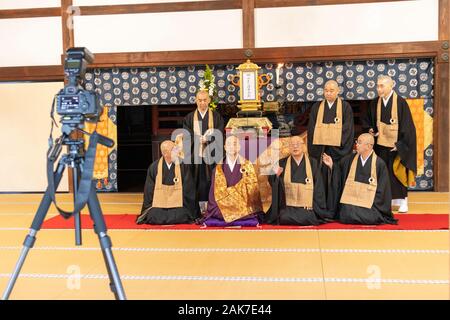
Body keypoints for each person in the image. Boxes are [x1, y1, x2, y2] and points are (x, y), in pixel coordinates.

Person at [363, 75, 417, 213]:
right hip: (380, 145)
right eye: (377, 86)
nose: (379, 89)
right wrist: (371, 129)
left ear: (391, 86)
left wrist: (400, 145)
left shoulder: (400, 103)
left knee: (397, 174)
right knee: (382, 174)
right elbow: (369, 121)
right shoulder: (375, 102)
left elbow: (408, 127)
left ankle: (403, 201)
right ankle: (383, 202)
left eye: (382, 86)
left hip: (396, 146)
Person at [323, 133, 397, 225]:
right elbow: (339, 173)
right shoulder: (350, 159)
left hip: (369, 204)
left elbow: (383, 191)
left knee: (371, 216)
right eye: (357, 142)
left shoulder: (379, 164)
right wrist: (332, 165)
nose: (356, 144)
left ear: (368, 146)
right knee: (346, 212)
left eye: (359, 142)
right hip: (351, 202)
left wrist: (368, 201)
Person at [307, 80, 354, 216]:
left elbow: (348, 129)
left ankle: (336, 208)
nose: (328, 93)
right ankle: (321, 208)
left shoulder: (345, 107)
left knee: (336, 177)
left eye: (331, 90)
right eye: (326, 90)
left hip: (338, 151)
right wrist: (322, 143)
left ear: (338, 91)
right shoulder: (317, 107)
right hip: (321, 150)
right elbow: (312, 129)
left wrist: (330, 137)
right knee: (321, 178)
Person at [268, 136, 331, 225]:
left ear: (303, 146)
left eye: (298, 144)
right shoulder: (282, 163)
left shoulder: (312, 163)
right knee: (284, 217)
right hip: (288, 207)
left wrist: (313, 205)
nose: (295, 147)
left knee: (309, 217)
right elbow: (273, 181)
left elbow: (319, 187)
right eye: (292, 144)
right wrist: (276, 176)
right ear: (289, 148)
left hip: (307, 207)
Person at [202, 135, 263, 227]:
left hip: (241, 203)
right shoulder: (218, 168)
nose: (232, 147)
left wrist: (237, 200)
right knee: (217, 211)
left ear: (239, 147)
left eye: (235, 144)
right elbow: (213, 193)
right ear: (225, 147)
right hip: (223, 204)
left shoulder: (247, 165)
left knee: (248, 210)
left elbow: (252, 189)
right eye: (229, 144)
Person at [182, 89, 224, 214]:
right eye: (199, 100)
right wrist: (197, 139)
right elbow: (186, 133)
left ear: (209, 101)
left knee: (211, 178)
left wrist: (208, 138)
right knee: (196, 178)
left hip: (212, 153)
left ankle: (212, 205)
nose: (202, 103)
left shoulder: (216, 117)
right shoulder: (189, 117)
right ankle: (197, 206)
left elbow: (220, 131)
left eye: (204, 100)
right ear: (196, 101)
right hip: (195, 153)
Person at [136, 140, 196, 225]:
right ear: (165, 154)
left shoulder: (184, 166)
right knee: (154, 215)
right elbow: (149, 192)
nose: (177, 151)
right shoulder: (154, 167)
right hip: (159, 205)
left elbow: (188, 189)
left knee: (181, 214)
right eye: (173, 149)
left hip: (178, 204)